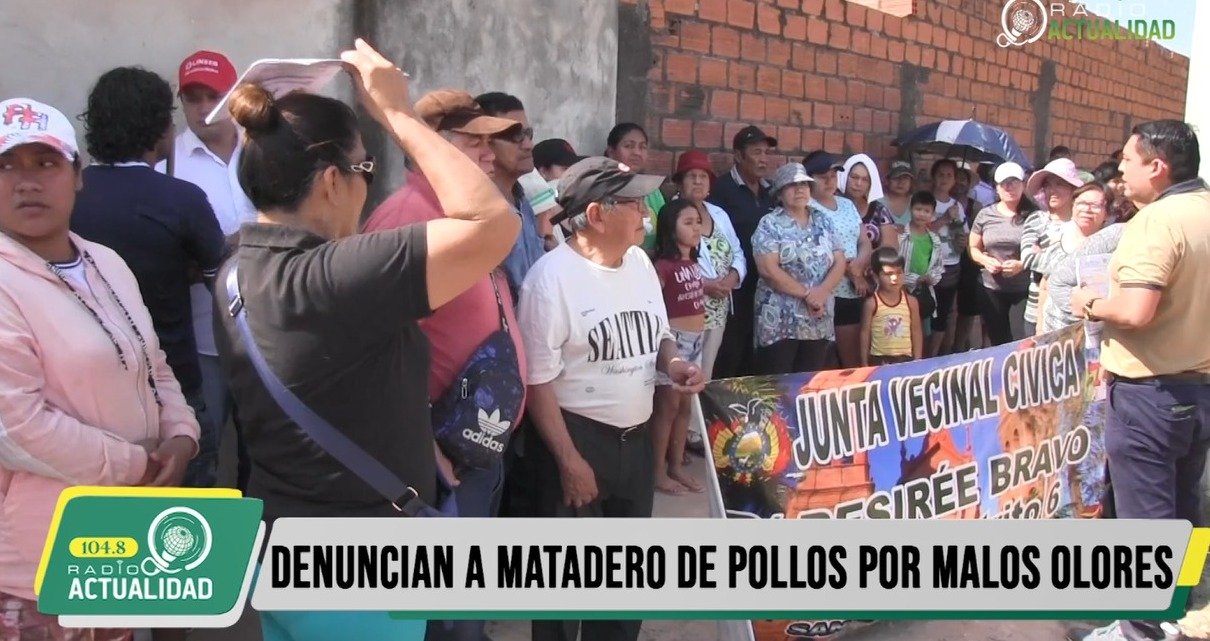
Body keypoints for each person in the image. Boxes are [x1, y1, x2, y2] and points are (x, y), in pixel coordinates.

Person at [213, 40, 519, 641]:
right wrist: (397, 113)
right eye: (364, 170)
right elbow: (493, 224)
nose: (366, 186)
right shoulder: (333, 276)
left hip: (290, 543)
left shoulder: (237, 267)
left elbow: (339, 384)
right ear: (332, 180)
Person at [0, 97, 199, 641]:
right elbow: (16, 428)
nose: (25, 182)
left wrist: (181, 435)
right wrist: (137, 467)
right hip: (37, 561)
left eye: (45, 163)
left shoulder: (104, 261)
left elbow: (152, 363)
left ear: (77, 176)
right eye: (6, 165)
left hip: (118, 545)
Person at [360, 88, 526, 641]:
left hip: (479, 443)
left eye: (490, 140)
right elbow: (370, 347)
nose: (488, 153)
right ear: (429, 146)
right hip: (438, 449)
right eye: (473, 141)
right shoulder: (407, 217)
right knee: (445, 619)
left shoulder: (462, 212)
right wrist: (418, 438)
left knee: (466, 606)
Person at [518, 157, 704, 641]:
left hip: (636, 442)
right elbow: (538, 383)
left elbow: (659, 334)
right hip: (577, 440)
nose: (646, 212)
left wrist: (674, 365)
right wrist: (569, 460)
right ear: (597, 215)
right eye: (634, 203)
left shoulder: (640, 263)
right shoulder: (549, 281)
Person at [1068, 122, 1210, 641]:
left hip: (1152, 392)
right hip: (1199, 391)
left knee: (1144, 517)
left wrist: (1090, 303)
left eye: (1128, 160)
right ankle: (1176, 605)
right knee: (1183, 504)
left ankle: (1139, 630)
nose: (1120, 170)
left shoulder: (1158, 221)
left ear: (1158, 165)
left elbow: (1136, 309)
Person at [69, 66, 225, 488]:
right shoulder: (182, 199)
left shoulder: (69, 195)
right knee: (188, 532)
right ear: (161, 131)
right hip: (173, 399)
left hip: (82, 400)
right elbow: (225, 284)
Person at [160, 49, 258, 492]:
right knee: (209, 449)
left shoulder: (264, 154)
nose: (202, 109)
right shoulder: (168, 167)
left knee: (267, 451)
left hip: (266, 333)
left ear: (236, 96)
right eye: (192, 98)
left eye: (213, 96)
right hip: (205, 338)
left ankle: (269, 545)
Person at [752, 162, 846, 375]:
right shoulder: (769, 224)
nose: (800, 189)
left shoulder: (823, 220)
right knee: (778, 386)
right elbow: (768, 269)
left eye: (804, 184)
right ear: (779, 193)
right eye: (792, 185)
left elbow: (840, 260)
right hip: (780, 322)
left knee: (808, 384)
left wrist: (821, 292)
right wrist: (807, 294)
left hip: (818, 318)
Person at [707, 125, 777, 378]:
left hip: (769, 288)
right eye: (757, 152)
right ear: (738, 156)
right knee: (731, 355)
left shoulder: (772, 191)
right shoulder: (721, 191)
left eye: (766, 153)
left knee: (759, 357)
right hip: (735, 290)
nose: (763, 159)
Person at [649, 198, 706, 495]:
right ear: (670, 231)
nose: (696, 227)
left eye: (697, 221)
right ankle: (657, 470)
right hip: (674, 341)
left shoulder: (692, 262)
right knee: (667, 408)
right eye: (688, 223)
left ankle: (676, 465)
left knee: (686, 406)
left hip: (696, 341)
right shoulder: (662, 266)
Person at [672, 150, 745, 380]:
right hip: (687, 309)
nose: (698, 181)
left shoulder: (718, 214)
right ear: (679, 183)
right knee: (685, 375)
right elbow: (668, 263)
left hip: (718, 310)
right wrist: (705, 285)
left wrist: (731, 279)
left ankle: (700, 416)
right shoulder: (671, 214)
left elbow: (738, 253)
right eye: (691, 176)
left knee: (706, 373)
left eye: (703, 177)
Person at [804, 150, 872, 368]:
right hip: (823, 293)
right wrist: (854, 275)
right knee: (821, 361)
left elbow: (864, 242)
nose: (829, 181)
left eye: (833, 176)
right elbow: (824, 251)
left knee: (850, 359)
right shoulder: (807, 209)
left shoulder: (846, 205)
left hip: (850, 292)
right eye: (823, 177)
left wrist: (858, 270)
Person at [475, 91, 547, 296]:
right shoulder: (478, 213)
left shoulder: (522, 201)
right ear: (484, 143)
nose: (528, 145)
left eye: (528, 134)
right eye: (515, 136)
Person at [967, 162, 1034, 345]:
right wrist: (985, 260)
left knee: (1021, 340)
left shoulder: (1035, 216)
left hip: (1023, 289)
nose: (1009, 187)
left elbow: (1042, 249)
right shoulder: (985, 214)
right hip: (991, 288)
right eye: (1004, 183)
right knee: (998, 340)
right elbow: (973, 248)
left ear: (1023, 184)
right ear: (996, 187)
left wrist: (1022, 264)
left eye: (1014, 182)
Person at [1034, 182, 1112, 334]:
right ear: (1073, 206)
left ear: (1107, 213)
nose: (1087, 210)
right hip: (1054, 332)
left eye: (1096, 205)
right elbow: (1045, 286)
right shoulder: (1057, 240)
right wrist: (1039, 329)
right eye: (1082, 203)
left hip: (1095, 333)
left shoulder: (1112, 246)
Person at [1021, 157, 1084, 336]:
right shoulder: (1036, 220)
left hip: (1073, 313)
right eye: (1048, 185)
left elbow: (1088, 264)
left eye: (1060, 184)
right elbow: (1028, 258)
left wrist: (1047, 252)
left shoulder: (1083, 223)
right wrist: (1070, 257)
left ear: (1073, 189)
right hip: (1036, 312)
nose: (1052, 190)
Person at [926, 158, 968, 356]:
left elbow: (964, 236)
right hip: (926, 265)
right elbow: (920, 231)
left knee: (942, 313)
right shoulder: (925, 201)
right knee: (923, 311)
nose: (944, 178)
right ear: (933, 177)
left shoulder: (957, 206)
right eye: (940, 174)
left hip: (951, 266)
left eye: (949, 175)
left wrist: (962, 241)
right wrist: (944, 218)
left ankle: (933, 356)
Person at [604, 122, 666, 250]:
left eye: (642, 147)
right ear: (611, 151)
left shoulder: (652, 190)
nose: (637, 152)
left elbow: (665, 233)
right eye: (628, 146)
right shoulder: (602, 189)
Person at [860, 247, 922, 366]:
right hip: (879, 359)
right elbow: (865, 334)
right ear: (876, 277)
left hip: (905, 360)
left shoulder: (911, 302)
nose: (894, 278)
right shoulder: (872, 304)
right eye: (888, 274)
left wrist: (918, 361)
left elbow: (916, 331)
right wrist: (864, 364)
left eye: (899, 272)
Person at [896, 191, 945, 339]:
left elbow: (939, 266)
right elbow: (895, 267)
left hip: (923, 293)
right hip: (901, 290)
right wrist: (915, 279)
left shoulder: (934, 239)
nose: (921, 214)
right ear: (911, 209)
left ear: (932, 214)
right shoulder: (900, 236)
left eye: (926, 211)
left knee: (921, 334)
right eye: (918, 209)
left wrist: (931, 278)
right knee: (899, 331)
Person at [525, 138, 586, 249]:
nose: (572, 175)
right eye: (565, 169)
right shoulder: (536, 210)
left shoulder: (580, 206)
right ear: (543, 172)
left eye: (574, 169)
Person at [839, 153, 898, 250]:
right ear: (845, 176)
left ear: (870, 184)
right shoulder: (832, 205)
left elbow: (890, 247)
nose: (858, 183)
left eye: (865, 179)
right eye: (854, 177)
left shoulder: (879, 210)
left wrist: (865, 260)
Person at [878, 160, 915, 228]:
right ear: (887, 180)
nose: (901, 182)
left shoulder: (917, 202)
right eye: (896, 178)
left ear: (911, 182)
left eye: (905, 178)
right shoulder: (878, 203)